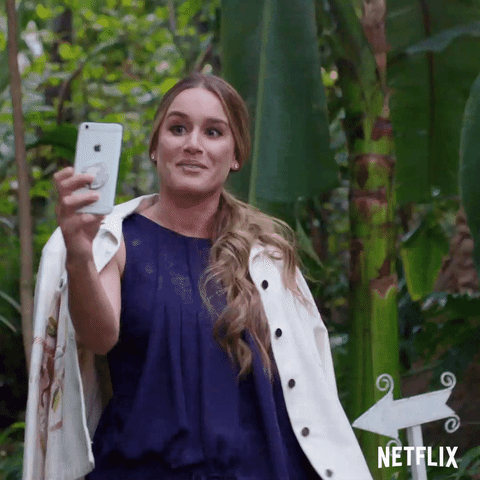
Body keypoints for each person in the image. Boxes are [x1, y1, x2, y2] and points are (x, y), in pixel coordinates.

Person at [23, 73, 373, 480]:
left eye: (213, 132)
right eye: (178, 128)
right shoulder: (114, 240)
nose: (193, 144)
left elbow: (310, 389)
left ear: (236, 154)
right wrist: (80, 253)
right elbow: (99, 335)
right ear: (155, 147)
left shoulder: (267, 257)